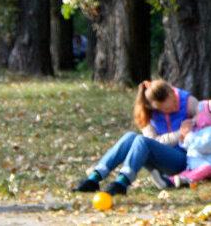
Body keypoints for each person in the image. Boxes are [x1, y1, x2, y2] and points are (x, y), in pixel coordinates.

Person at [71, 79, 199, 196]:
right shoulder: (146, 112)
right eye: (166, 109)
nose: (174, 108)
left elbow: (207, 120)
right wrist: (180, 133)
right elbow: (154, 142)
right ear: (155, 107)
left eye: (174, 103)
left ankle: (122, 182)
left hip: (183, 158)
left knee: (141, 140)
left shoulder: (187, 101)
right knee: (130, 136)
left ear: (172, 92)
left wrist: (192, 127)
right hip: (161, 158)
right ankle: (94, 178)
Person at [152, 99, 211, 188]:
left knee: (203, 170)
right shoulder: (197, 130)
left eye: (198, 114)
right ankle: (168, 181)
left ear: (205, 117)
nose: (195, 117)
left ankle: (185, 179)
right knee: (188, 172)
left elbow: (203, 146)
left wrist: (189, 135)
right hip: (195, 164)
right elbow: (190, 147)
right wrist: (183, 138)